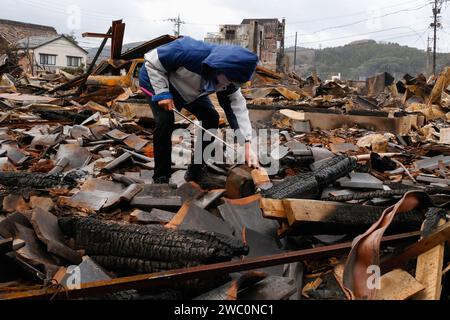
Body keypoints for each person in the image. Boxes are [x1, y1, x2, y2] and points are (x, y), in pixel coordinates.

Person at [139, 36, 259, 187]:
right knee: (165, 121)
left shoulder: (229, 78)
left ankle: (195, 172)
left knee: (211, 118)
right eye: (229, 80)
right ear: (219, 68)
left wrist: (247, 144)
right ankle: (161, 178)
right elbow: (151, 61)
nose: (229, 85)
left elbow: (237, 108)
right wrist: (162, 92)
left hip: (190, 91)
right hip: (157, 81)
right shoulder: (188, 50)